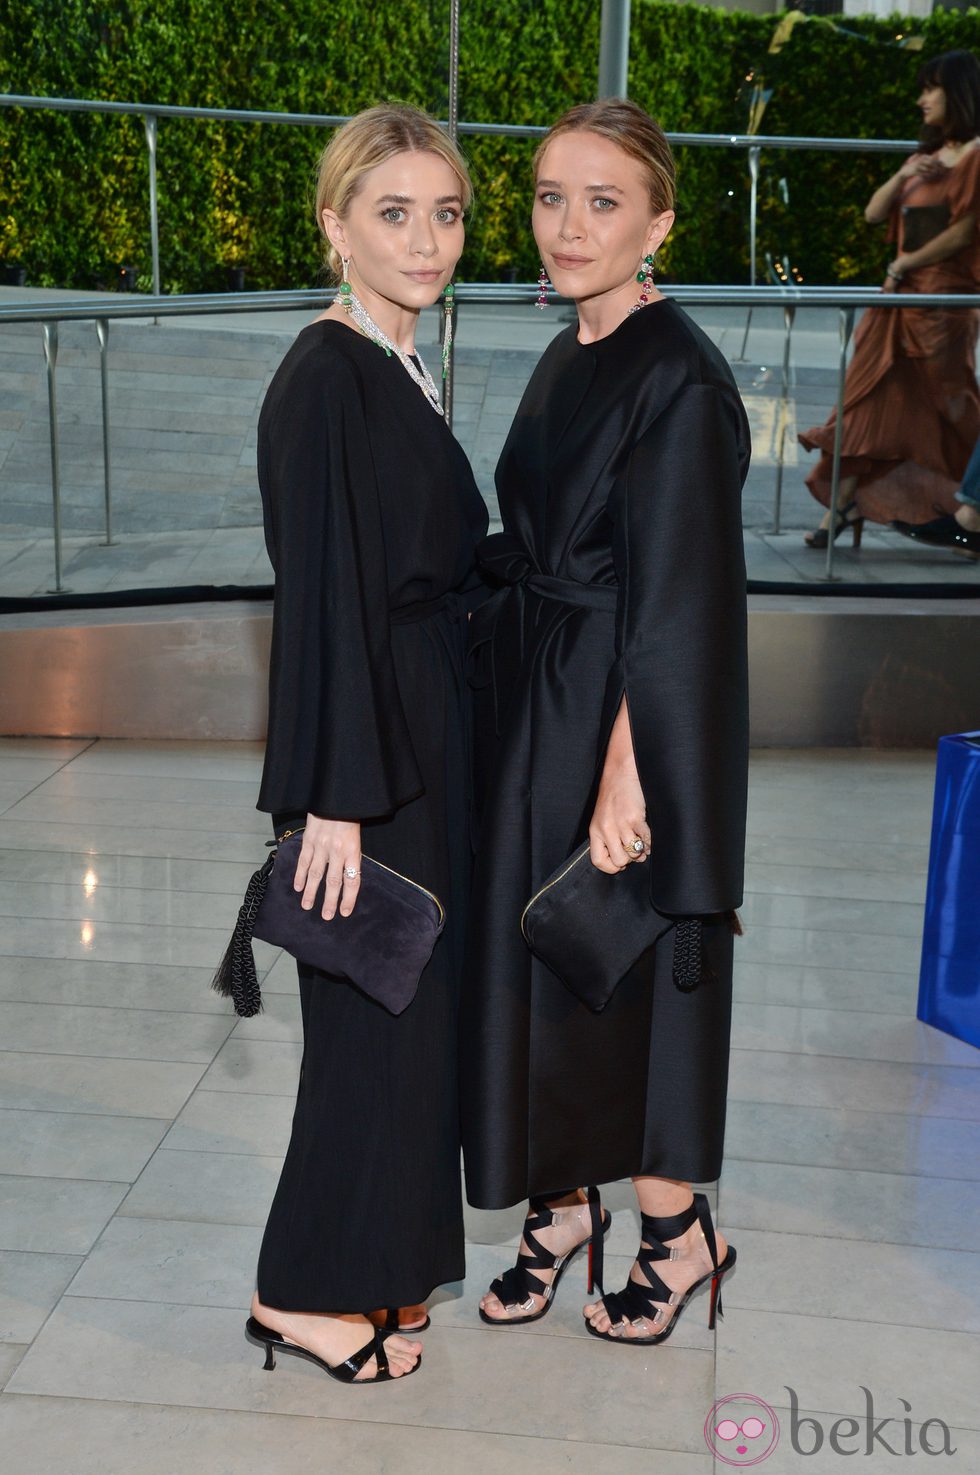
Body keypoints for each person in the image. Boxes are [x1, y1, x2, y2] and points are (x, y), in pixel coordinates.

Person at [460, 99, 749, 1346]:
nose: (565, 225)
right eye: (546, 195)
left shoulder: (677, 376)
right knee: (540, 960)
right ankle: (559, 1202)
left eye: (601, 201)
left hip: (619, 716)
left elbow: (678, 594)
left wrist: (628, 767)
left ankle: (677, 1231)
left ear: (658, 224)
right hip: (539, 700)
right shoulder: (570, 346)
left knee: (625, 970)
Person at [245, 105, 487, 1385]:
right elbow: (320, 598)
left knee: (408, 1022)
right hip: (370, 758)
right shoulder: (324, 374)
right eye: (392, 213)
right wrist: (330, 800)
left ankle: (384, 1270)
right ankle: (298, 1290)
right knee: (360, 1027)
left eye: (444, 212)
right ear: (334, 224)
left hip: (423, 731)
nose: (426, 239)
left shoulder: (397, 363)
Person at [800, 50, 980, 549]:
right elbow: (873, 214)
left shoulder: (976, 156)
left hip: (943, 305)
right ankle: (841, 508)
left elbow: (965, 232)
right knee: (866, 404)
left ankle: (970, 507)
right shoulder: (928, 155)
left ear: (958, 93)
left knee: (952, 409)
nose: (921, 99)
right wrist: (904, 175)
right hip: (898, 301)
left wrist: (905, 263)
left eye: (931, 89)